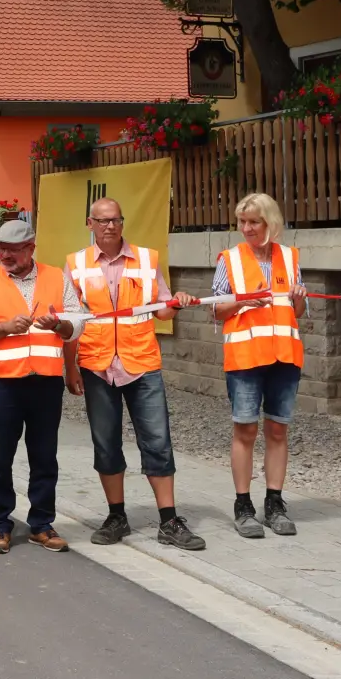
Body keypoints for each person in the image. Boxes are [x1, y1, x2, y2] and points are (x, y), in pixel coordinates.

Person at [65, 198, 206, 550]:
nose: (111, 226)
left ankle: (169, 520)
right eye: (104, 221)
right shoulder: (76, 264)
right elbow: (70, 323)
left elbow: (162, 311)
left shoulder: (146, 259)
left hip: (141, 364)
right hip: (97, 365)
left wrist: (176, 303)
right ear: (90, 223)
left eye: (116, 220)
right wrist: (70, 367)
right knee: (106, 445)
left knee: (157, 443)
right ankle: (117, 517)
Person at [0, 219, 82, 555]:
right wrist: (3, 328)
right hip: (3, 384)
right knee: (0, 456)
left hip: (46, 382)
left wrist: (59, 323)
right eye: (1, 247)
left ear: (31, 248)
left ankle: (42, 524)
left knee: (44, 456)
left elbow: (77, 326)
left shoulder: (58, 278)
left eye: (13, 249)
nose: (4, 254)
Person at [212, 192, 305, 538]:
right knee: (245, 431)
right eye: (242, 222)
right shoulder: (230, 259)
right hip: (246, 358)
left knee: (278, 430)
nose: (247, 228)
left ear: (270, 223)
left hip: (284, 356)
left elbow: (296, 311)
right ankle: (243, 505)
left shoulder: (290, 257)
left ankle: (275, 503)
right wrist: (240, 302)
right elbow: (216, 310)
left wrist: (298, 301)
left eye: (253, 222)